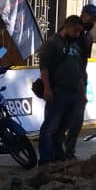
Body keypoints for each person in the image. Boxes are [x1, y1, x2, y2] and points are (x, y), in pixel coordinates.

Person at [36, 15, 87, 165]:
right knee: (51, 126)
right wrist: (47, 88)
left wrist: (82, 92)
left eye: (80, 32)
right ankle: (45, 158)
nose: (78, 34)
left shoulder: (76, 46)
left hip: (74, 92)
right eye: (76, 31)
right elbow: (44, 68)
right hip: (58, 91)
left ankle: (58, 154)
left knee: (63, 127)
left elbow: (80, 70)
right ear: (67, 26)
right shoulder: (52, 43)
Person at [62, 4, 96, 160]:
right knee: (60, 118)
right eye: (92, 18)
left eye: (95, 19)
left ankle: (69, 150)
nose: (94, 21)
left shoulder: (88, 37)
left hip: (80, 78)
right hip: (64, 79)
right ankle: (56, 149)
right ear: (84, 15)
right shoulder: (68, 32)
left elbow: (84, 60)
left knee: (77, 118)